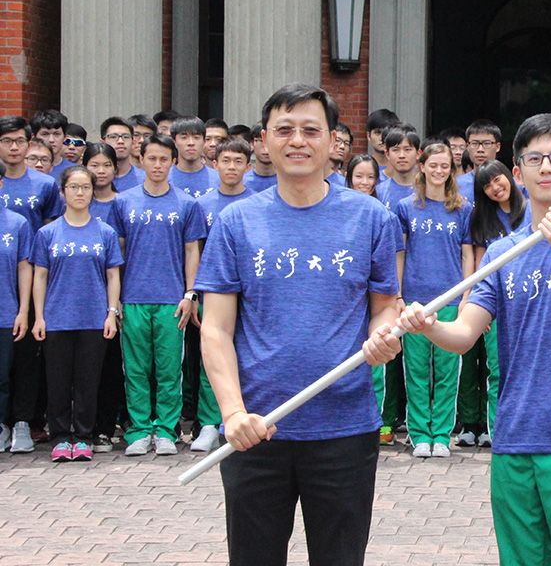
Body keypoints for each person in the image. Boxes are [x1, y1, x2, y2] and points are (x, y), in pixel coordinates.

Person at [398, 112, 551, 563]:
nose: (546, 167)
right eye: (534, 158)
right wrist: (429, 325)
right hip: (513, 437)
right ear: (518, 172)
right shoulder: (502, 252)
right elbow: (465, 333)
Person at [197, 84, 402, 566]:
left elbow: (385, 304)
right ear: (263, 140)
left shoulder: (370, 217)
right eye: (284, 129)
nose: (297, 140)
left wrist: (383, 333)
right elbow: (216, 329)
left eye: (311, 130)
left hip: (344, 429)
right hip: (256, 429)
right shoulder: (236, 222)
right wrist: (232, 415)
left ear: (334, 141)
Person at [111, 132, 206, 456]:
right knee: (135, 369)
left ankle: (166, 429)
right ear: (141, 160)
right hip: (134, 297)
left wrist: (190, 293)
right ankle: (139, 429)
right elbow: (117, 253)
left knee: (169, 369)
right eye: (151, 158)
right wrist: (116, 300)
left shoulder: (186, 203)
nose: (157, 164)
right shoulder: (124, 202)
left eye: (164, 159)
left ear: (173, 162)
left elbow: (191, 249)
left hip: (171, 299)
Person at [30, 166, 123, 462]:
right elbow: (40, 276)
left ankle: (83, 436)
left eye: (85, 187)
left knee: (88, 381)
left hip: (94, 318)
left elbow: (112, 275)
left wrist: (111, 313)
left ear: (93, 192)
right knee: (57, 380)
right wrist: (40, 316)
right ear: (63, 192)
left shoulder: (105, 232)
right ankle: (60, 437)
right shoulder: (48, 233)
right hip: (57, 318)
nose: (80, 193)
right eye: (74, 187)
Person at [396, 142, 473, 458]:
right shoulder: (406, 207)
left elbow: (468, 254)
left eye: (445, 166)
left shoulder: (463, 208)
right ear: (422, 165)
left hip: (451, 299)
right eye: (434, 165)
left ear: (451, 170)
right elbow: (399, 254)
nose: (439, 171)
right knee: (415, 372)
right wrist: (398, 295)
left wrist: (467, 294)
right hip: (414, 299)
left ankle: (441, 434)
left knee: (446, 371)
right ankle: (419, 435)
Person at [0, 115, 63, 454]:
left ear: (28, 144)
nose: (13, 147)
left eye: (19, 141)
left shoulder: (44, 184)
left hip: (33, 274)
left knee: (27, 354)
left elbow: (53, 230)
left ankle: (27, 421)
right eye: (6, 141)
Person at [188, 137, 254, 453]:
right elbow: (194, 252)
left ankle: (236, 418)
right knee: (211, 355)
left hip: (248, 295)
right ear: (215, 164)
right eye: (225, 160)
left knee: (242, 357)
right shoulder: (201, 206)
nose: (231, 167)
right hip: (212, 292)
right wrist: (194, 293)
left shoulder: (256, 205)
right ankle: (207, 423)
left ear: (248, 166)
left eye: (238, 161)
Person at [461, 160, 528, 448]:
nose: (495, 188)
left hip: (528, 299)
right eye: (487, 185)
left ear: (510, 175)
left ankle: (523, 427)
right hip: (494, 300)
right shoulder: (481, 218)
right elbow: (477, 263)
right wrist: (472, 300)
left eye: (497, 179)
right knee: (496, 368)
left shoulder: (531, 207)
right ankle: (498, 430)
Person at [347, 153, 405, 446]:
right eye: (359, 176)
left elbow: (394, 260)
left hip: (378, 299)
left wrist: (396, 295)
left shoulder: (385, 217)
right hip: (350, 300)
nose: (365, 182)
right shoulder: (341, 213)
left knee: (377, 363)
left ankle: (380, 424)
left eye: (371, 177)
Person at [84, 142, 126, 452]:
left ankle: (106, 424)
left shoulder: (123, 204)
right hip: (82, 293)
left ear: (115, 169)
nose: (100, 171)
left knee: (112, 365)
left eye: (105, 165)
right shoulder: (75, 203)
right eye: (94, 165)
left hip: (116, 292)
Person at [0, 162, 32, 453]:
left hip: (7, 310)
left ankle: (10, 424)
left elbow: (25, 268)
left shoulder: (16, 223)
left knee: (6, 372)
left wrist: (23, 310)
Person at [169, 116, 221, 198]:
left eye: (196, 137)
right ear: (174, 141)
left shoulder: (219, 179)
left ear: (204, 141)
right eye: (184, 137)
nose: (191, 143)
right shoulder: (164, 179)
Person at [376, 125, 420, 212]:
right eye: (396, 150)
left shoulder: (428, 191)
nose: (401, 156)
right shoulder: (379, 192)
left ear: (418, 153)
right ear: (387, 154)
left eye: (407, 149)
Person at [459, 119, 502, 204]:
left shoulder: (507, 185)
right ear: (467, 147)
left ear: (497, 147)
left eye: (487, 143)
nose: (480, 150)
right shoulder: (456, 186)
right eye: (474, 143)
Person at [101, 117, 145, 191]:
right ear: (102, 142)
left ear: (133, 141)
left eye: (126, 137)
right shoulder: (91, 178)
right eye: (113, 137)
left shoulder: (145, 179)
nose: (120, 141)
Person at [31, 109, 70, 177]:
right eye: (45, 134)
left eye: (56, 134)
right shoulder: (23, 169)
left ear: (65, 138)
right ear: (34, 137)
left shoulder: (74, 171)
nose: (51, 140)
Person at [366, 108, 400, 182]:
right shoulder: (361, 168)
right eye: (378, 133)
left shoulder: (404, 169)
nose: (382, 138)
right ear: (369, 136)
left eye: (386, 133)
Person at [244, 123, 277, 193]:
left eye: (270, 141)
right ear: (252, 144)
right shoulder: (241, 182)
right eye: (261, 141)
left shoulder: (288, 182)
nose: (266, 147)